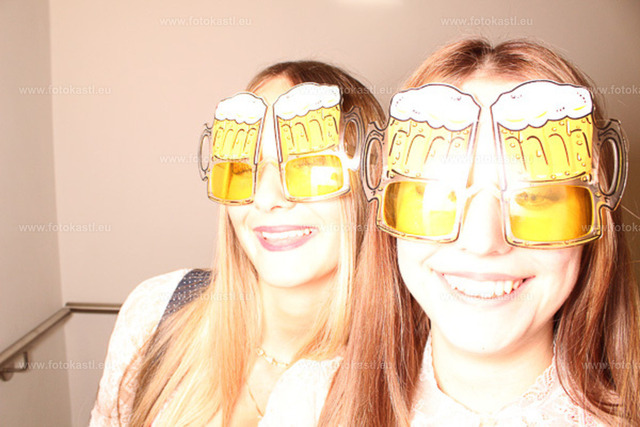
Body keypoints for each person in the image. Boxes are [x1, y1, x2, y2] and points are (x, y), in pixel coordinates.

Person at [260, 39, 639, 426]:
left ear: (595, 225)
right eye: (437, 193)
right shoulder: (307, 405)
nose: (483, 242)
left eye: (536, 195)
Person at [89, 60, 385, 426]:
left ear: (369, 178)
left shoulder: (409, 379)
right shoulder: (152, 316)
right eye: (246, 166)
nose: (268, 198)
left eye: (309, 164)